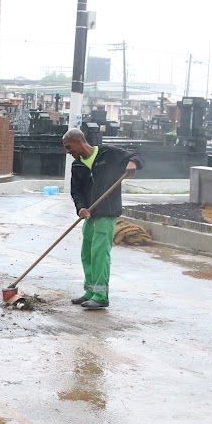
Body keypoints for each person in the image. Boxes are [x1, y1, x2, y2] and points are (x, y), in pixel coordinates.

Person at [62, 127, 142, 309]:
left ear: (79, 142)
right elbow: (76, 191)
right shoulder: (78, 165)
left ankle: (101, 295)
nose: (68, 152)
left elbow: (137, 155)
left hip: (106, 213)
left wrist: (133, 163)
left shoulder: (108, 154)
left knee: (99, 253)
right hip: (90, 215)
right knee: (87, 253)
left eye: (69, 147)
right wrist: (81, 207)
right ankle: (90, 291)